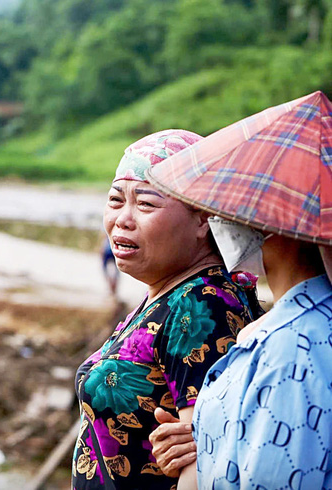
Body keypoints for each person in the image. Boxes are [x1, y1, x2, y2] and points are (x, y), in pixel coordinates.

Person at [145, 94, 332, 489]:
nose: (222, 219)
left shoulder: (289, 349)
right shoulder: (286, 328)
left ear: (274, 225)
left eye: (238, 209)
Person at [72, 130, 260, 489]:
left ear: (203, 218)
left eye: (145, 204)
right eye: (115, 200)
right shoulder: (165, 293)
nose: (123, 219)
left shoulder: (201, 304)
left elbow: (200, 462)